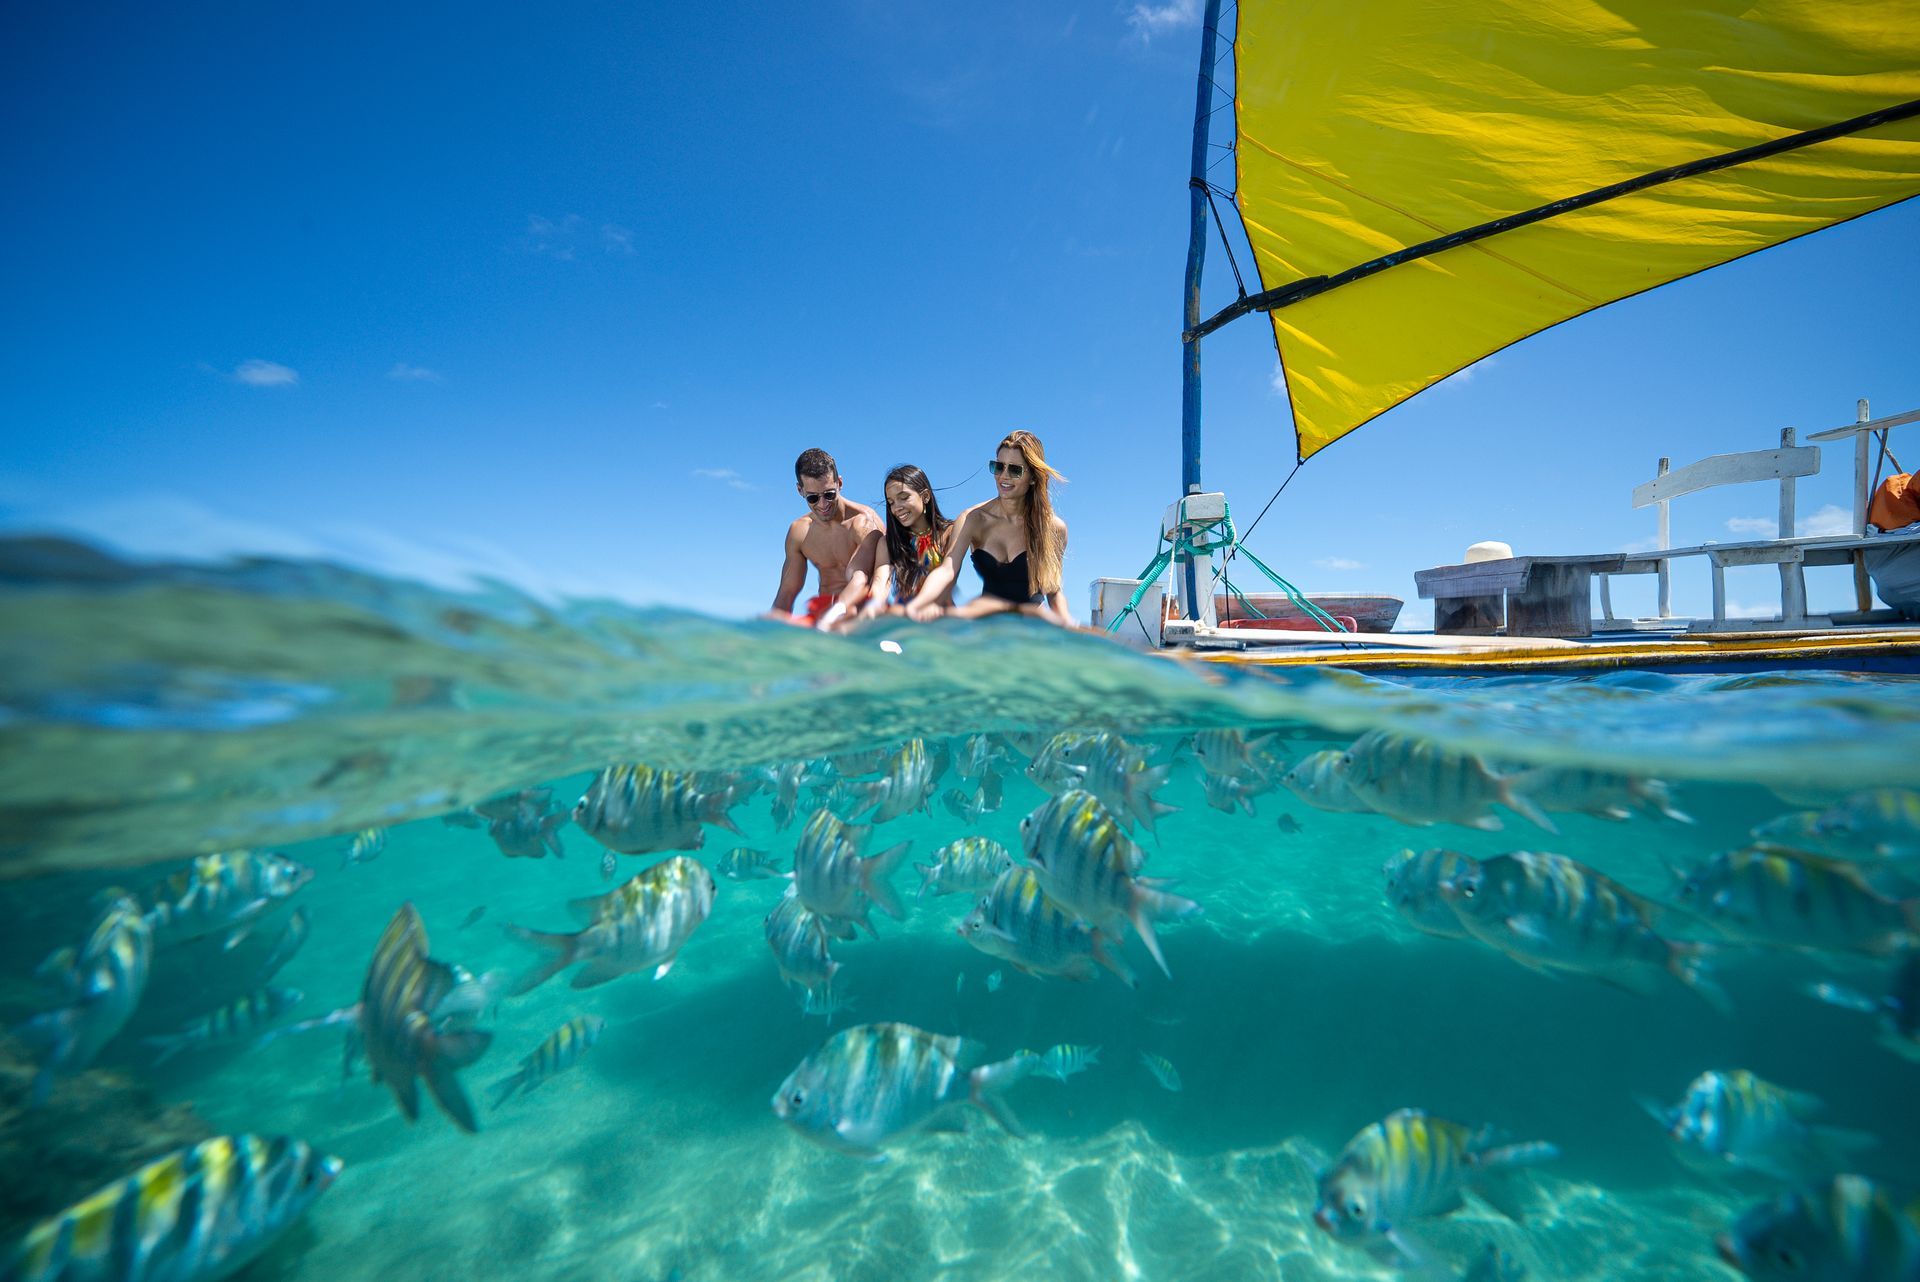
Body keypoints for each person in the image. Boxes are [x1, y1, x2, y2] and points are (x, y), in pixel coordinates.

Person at [906, 429, 1073, 625]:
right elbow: (947, 570)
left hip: (1032, 629)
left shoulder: (1053, 528)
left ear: (1034, 477)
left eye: (1015, 470)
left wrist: (1067, 624)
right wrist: (918, 604)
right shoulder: (972, 519)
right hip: (987, 624)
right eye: (998, 466)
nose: (1003, 476)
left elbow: (1053, 591)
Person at [771, 448, 881, 627]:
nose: (823, 505)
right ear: (800, 490)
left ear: (839, 483)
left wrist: (838, 613)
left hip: (862, 610)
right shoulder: (800, 532)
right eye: (813, 498)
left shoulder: (864, 523)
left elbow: (868, 581)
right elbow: (787, 593)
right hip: (823, 611)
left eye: (829, 494)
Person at [839, 464, 958, 621]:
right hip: (903, 617)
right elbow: (881, 582)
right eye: (891, 502)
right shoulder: (888, 543)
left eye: (904, 498)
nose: (897, 508)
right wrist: (873, 604)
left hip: (941, 615)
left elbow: (948, 575)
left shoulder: (950, 532)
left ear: (925, 496)